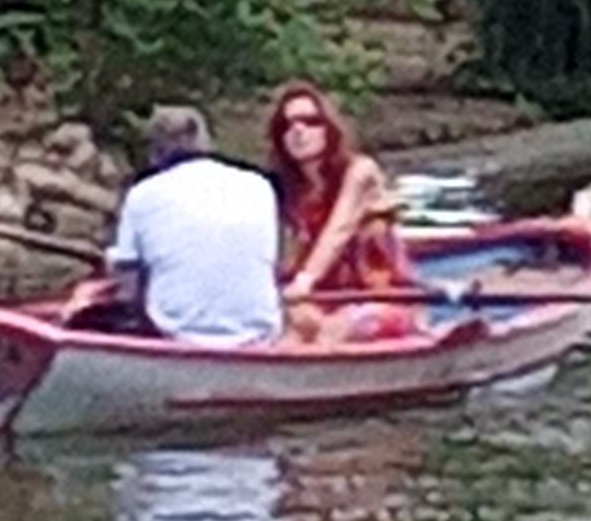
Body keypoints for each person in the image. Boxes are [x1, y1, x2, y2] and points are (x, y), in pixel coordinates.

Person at [99, 104, 283, 345]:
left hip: (176, 336)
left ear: (155, 152)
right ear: (207, 143)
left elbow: (127, 277)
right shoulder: (258, 185)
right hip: (261, 335)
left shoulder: (143, 194)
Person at [265, 82, 410, 309]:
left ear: (329, 129)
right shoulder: (289, 189)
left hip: (382, 300)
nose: (298, 130)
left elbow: (338, 230)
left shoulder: (361, 172)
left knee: (327, 332)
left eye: (311, 121)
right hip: (322, 302)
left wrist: (305, 281)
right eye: (286, 125)